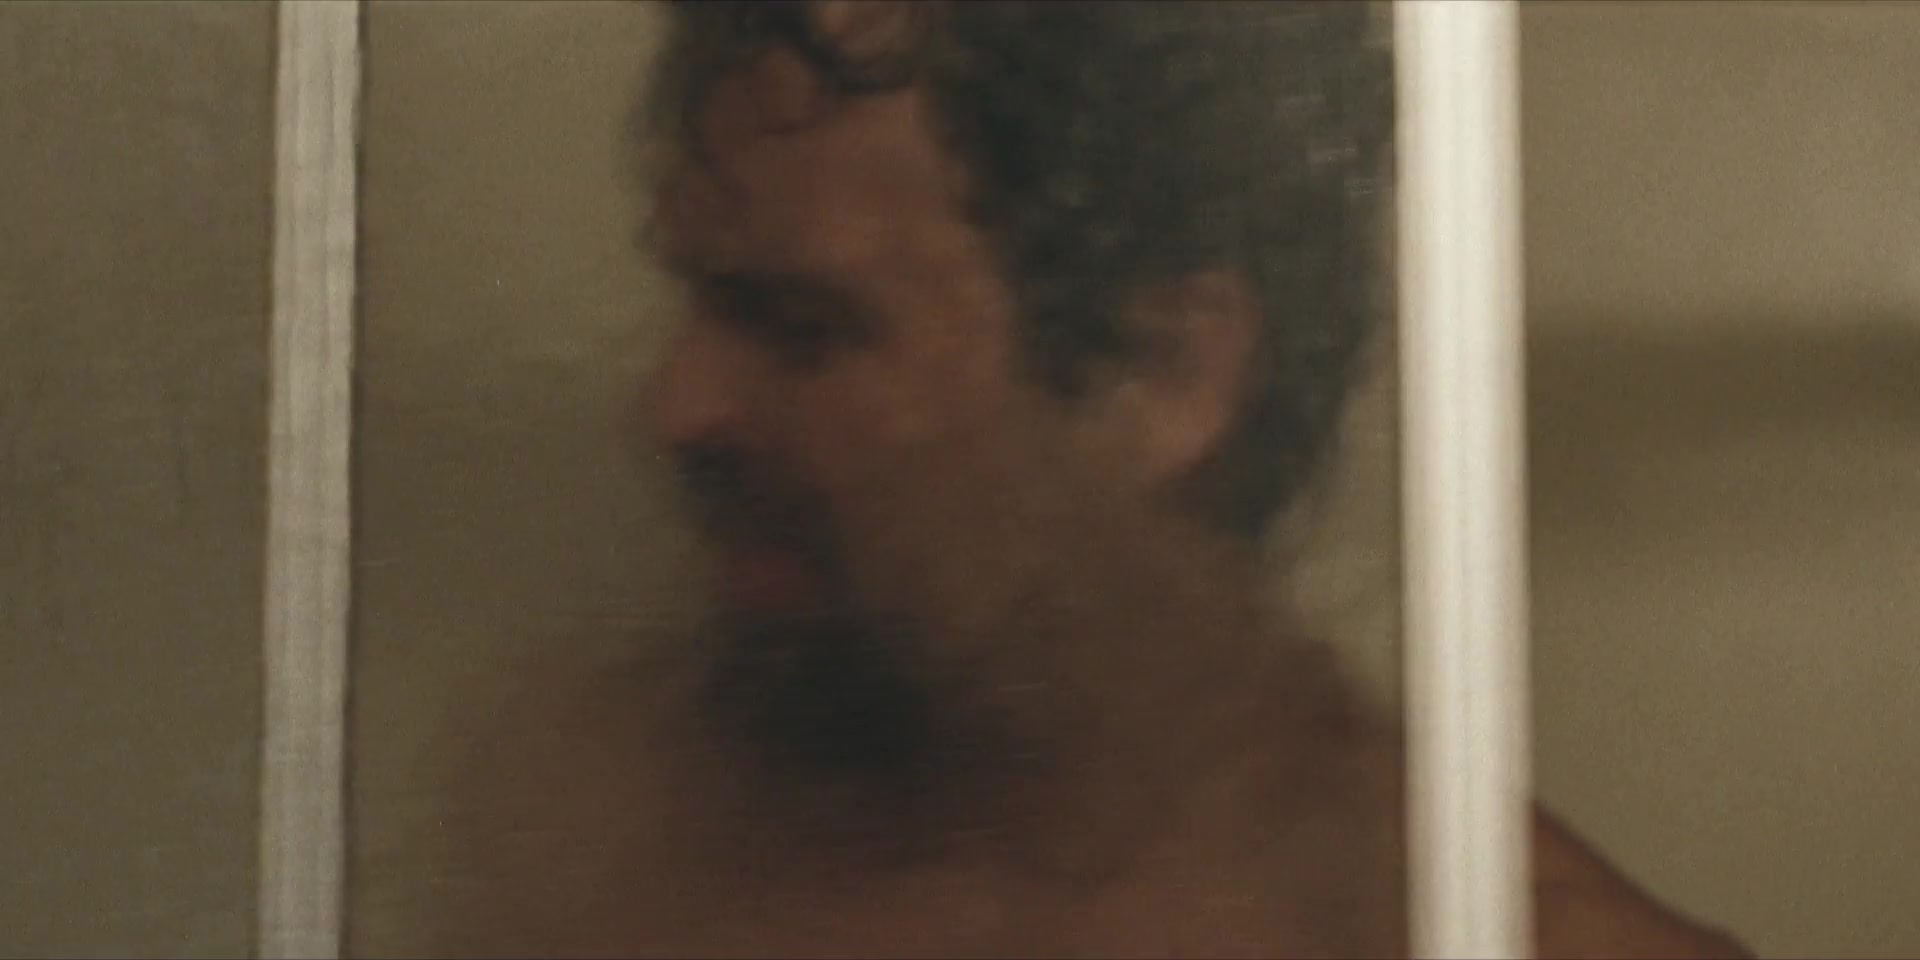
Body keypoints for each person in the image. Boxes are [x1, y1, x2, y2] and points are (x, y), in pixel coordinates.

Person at [429, 3, 1749, 956]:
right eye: (698, 300)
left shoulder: (1475, 932)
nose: (676, 405)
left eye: (801, 327)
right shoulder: (602, 813)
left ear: (1166, 371)